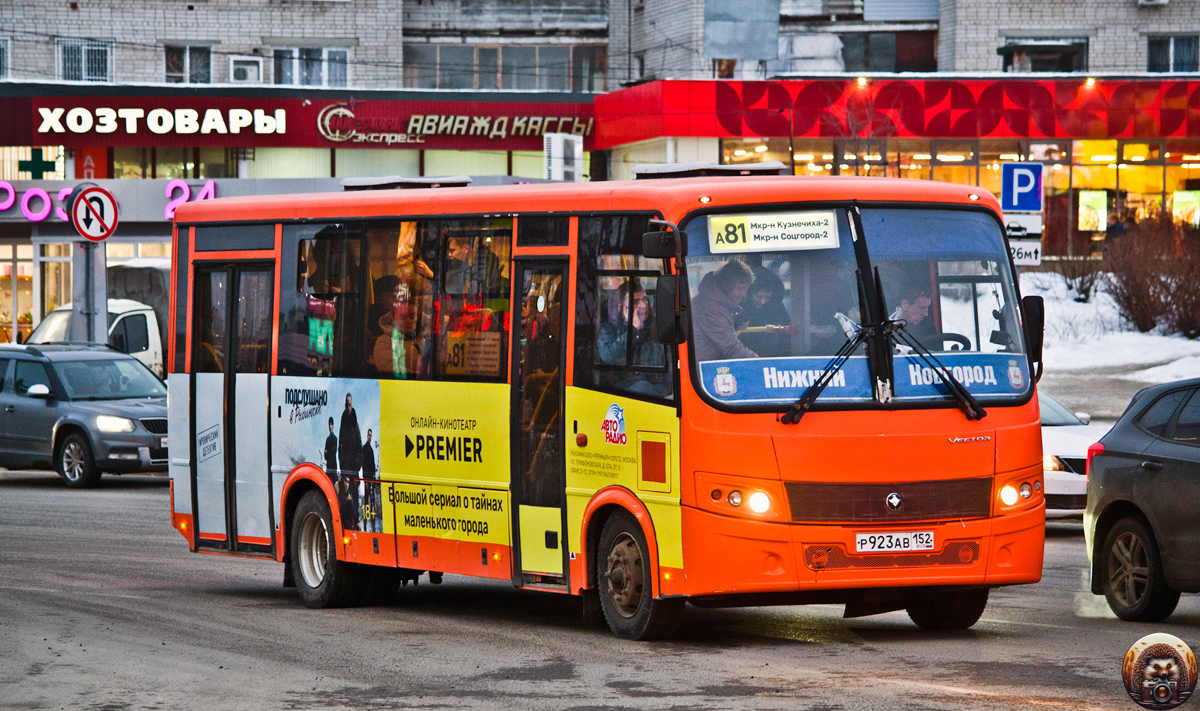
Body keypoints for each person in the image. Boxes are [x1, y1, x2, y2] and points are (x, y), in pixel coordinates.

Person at [691, 259, 758, 362]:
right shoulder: (711, 308)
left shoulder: (719, 303)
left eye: (746, 289)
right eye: (740, 289)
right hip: (700, 371)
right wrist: (762, 364)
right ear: (726, 286)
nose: (744, 294)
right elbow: (733, 349)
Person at [597, 281, 663, 367]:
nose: (643, 306)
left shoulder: (655, 324)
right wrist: (633, 329)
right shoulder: (608, 328)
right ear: (622, 308)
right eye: (635, 302)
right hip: (624, 378)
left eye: (644, 300)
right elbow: (608, 357)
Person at [737, 267, 793, 358]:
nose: (763, 301)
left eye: (767, 297)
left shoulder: (777, 307)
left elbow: (786, 337)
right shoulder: (737, 308)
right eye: (759, 297)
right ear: (749, 293)